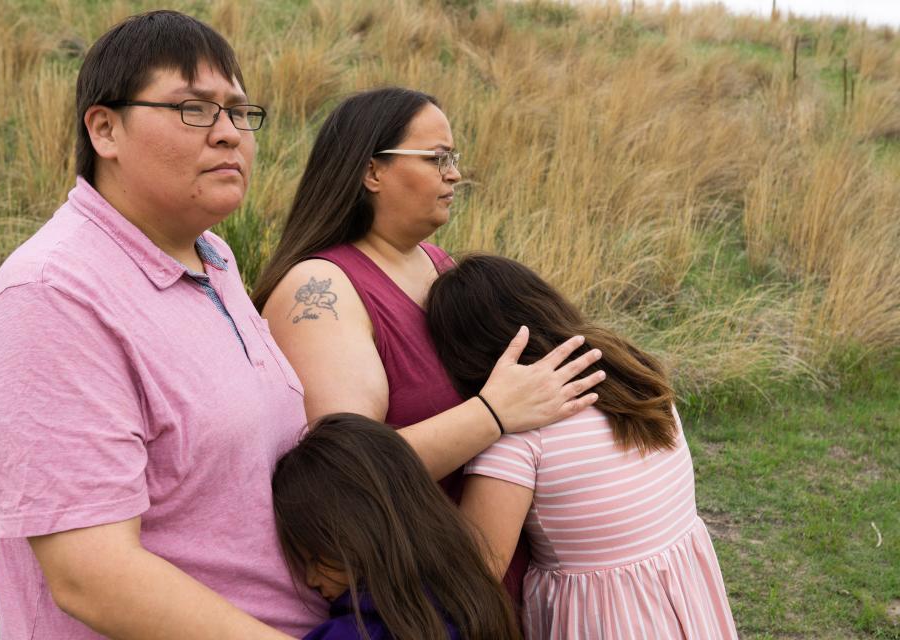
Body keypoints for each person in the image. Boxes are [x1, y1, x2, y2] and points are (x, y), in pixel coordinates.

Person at [0, 10, 320, 639]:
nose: (229, 134)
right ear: (104, 129)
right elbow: (91, 575)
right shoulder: (52, 296)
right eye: (193, 109)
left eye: (240, 113)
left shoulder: (212, 255)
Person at [253, 87, 606, 604]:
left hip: (489, 583)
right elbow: (343, 476)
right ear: (372, 172)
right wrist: (493, 413)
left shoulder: (438, 264)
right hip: (418, 605)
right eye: (437, 158)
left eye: (454, 158)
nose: (455, 174)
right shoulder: (319, 291)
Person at [425, 254, 739, 640]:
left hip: (604, 619)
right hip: (682, 598)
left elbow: (477, 571)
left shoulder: (517, 436)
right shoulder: (630, 368)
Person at [272, 413, 521, 640]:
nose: (311, 579)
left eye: (317, 557)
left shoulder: (362, 633)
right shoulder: (473, 600)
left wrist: (230, 619)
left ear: (365, 530)